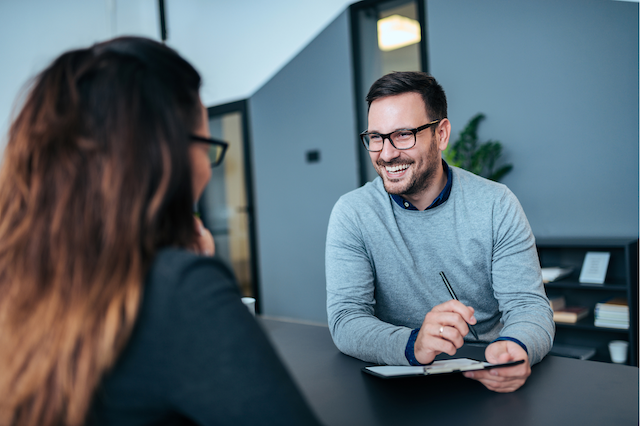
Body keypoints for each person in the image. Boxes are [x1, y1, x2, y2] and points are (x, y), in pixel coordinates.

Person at [0, 37, 321, 426]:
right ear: (164, 155)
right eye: (206, 146)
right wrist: (193, 278)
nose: (207, 169)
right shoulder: (179, 291)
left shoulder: (18, 278)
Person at [326, 71, 554, 393]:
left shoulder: (495, 204)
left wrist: (516, 346)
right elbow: (346, 319)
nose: (387, 153)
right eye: (376, 137)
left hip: (485, 376)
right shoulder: (353, 213)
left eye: (403, 134)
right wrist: (414, 344)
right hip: (397, 385)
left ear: (442, 134)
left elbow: (529, 307)